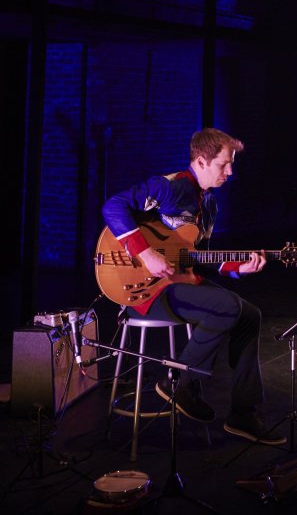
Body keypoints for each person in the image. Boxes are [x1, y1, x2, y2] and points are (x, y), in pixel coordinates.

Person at [102, 127, 285, 445]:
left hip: (178, 283)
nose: (230, 172)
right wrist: (146, 253)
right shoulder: (169, 187)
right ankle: (179, 383)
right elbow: (113, 207)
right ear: (201, 161)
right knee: (228, 306)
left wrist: (237, 268)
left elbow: (197, 259)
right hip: (147, 290)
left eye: (231, 164)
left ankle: (243, 413)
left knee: (249, 315)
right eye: (224, 164)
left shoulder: (209, 204)